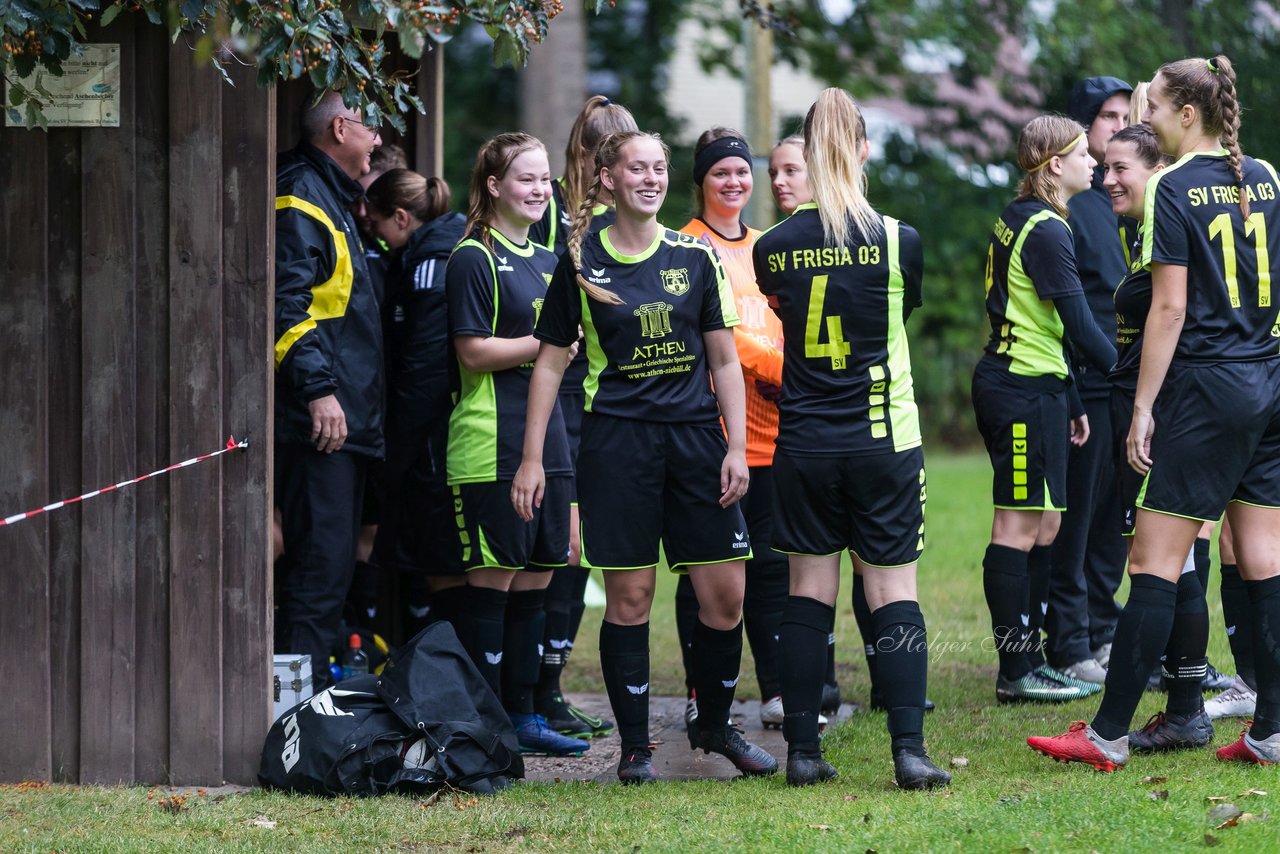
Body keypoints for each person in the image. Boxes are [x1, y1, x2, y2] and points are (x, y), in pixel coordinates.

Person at [1028, 55, 1280, 768]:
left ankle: (1106, 735)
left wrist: (1141, 408)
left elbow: (1169, 307)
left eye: (1156, 111)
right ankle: (1271, 730)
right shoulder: (1263, 174)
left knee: (1153, 560)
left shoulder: (1173, 185)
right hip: (1267, 377)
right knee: (1263, 559)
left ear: (1187, 115)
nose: (1147, 122)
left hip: (1205, 390)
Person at [512, 130, 778, 784]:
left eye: (660, 167)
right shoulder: (579, 263)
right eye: (638, 168)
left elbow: (724, 359)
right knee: (630, 600)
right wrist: (531, 459)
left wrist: (736, 448)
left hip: (696, 444)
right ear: (608, 179)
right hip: (618, 447)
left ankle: (713, 725)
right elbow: (549, 365)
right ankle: (636, 749)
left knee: (725, 598)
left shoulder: (695, 257)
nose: (652, 178)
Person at [752, 88, 948, 790]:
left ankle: (802, 754)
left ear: (805, 154)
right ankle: (909, 753)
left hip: (803, 444)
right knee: (892, 590)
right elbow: (899, 314)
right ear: (863, 150)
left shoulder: (771, 248)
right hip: (882, 441)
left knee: (807, 592)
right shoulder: (900, 241)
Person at [445, 132, 588, 757]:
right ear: (494, 186)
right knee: (493, 584)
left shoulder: (551, 259)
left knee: (538, 581)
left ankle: (526, 717)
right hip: (490, 447)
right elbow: (473, 351)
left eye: (544, 181)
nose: (539, 191)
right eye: (525, 180)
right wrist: (545, 345)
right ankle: (486, 725)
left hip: (549, 443)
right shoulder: (472, 257)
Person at [972, 114, 1117, 705]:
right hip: (1020, 389)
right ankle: (1016, 669)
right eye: (1085, 154)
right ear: (1055, 165)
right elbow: (1080, 324)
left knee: (1048, 523)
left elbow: (1050, 324)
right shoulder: (1049, 229)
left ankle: (1031, 658)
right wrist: (1133, 374)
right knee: (1017, 525)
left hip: (1045, 387)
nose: (1096, 163)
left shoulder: (1027, 217)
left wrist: (1074, 397)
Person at [676, 127, 796, 732]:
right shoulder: (685, 247)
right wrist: (778, 366)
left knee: (773, 566)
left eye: (741, 172)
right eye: (720, 173)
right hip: (714, 435)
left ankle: (776, 690)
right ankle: (701, 691)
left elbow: (782, 319)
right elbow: (718, 337)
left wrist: (790, 371)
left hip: (773, 431)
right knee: (705, 567)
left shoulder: (768, 246)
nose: (734, 182)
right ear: (701, 182)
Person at [529, 95, 637, 740]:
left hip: (610, 402)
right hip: (565, 393)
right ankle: (540, 687)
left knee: (584, 549)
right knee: (563, 545)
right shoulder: (556, 220)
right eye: (608, 157)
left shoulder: (633, 223)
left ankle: (553, 684)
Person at [274, 89, 385, 690]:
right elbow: (284, 306)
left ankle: (307, 708)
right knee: (316, 575)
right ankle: (292, 722)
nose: (377, 143)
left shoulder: (335, 197)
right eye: (370, 129)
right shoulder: (301, 193)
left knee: (330, 572)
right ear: (342, 129)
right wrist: (318, 391)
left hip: (348, 423)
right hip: (320, 424)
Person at [1043, 77, 1131, 686]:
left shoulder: (1125, 196)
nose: (1117, 126)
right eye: (1106, 117)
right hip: (1084, 389)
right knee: (1074, 523)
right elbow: (1068, 313)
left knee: (1113, 521)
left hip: (1125, 385)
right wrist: (1077, 389)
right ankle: (1068, 643)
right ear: (1079, 128)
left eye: (1126, 116)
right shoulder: (1066, 209)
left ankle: (1102, 630)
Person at [362, 169, 467, 636]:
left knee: (443, 561)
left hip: (439, 438)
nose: (375, 237)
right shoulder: (435, 251)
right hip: (443, 433)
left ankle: (449, 672)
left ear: (402, 218)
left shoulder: (431, 266)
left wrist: (393, 454)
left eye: (377, 224)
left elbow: (425, 370)